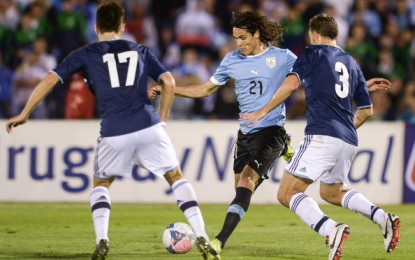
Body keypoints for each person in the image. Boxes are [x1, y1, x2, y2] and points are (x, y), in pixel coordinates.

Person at [5, 1, 220, 260]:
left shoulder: (85, 53)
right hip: (148, 125)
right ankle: (203, 236)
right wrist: (162, 117)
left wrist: (25, 112)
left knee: (101, 184)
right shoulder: (140, 49)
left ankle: (102, 239)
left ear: (96, 27)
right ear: (122, 26)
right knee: (176, 177)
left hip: (114, 130)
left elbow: (50, 79)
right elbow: (168, 81)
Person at [239, 14, 400, 259]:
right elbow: (366, 112)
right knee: (332, 193)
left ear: (314, 33)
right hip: (348, 139)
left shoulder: (311, 53)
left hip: (322, 134)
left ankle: (330, 230)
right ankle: (382, 218)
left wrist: (262, 110)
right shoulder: (351, 62)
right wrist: (349, 116)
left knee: (286, 194)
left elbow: (292, 85)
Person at [154, 10, 296, 253]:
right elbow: (206, 89)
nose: (238, 43)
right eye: (235, 38)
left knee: (246, 181)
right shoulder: (232, 60)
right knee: (241, 191)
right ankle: (282, 148)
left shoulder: (283, 57)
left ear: (257, 34)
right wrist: (171, 90)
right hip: (246, 134)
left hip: (271, 128)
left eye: (243, 38)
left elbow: (305, 80)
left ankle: (218, 241)